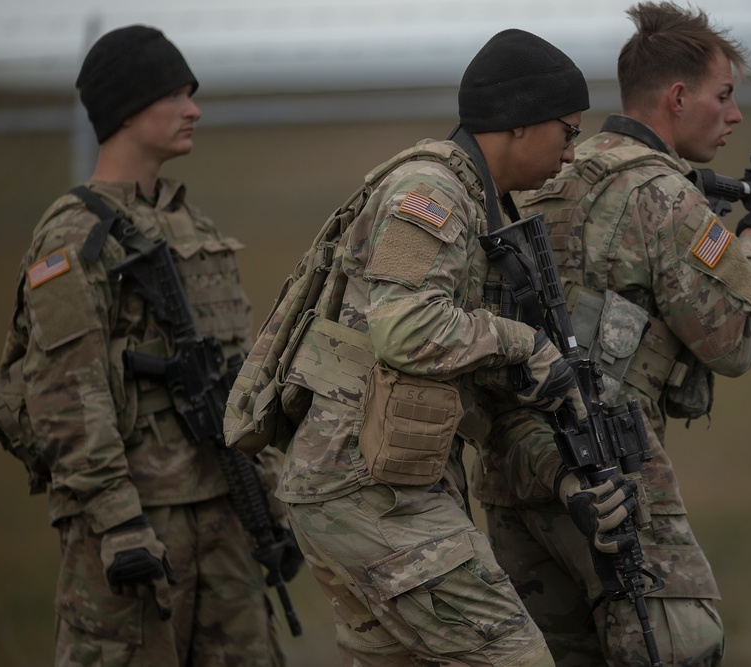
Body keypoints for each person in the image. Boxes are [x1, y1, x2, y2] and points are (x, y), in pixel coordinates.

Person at [470, 3, 751, 666]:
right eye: (724, 95)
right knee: (680, 649)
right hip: (606, 470)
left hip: (514, 474)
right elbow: (736, 337)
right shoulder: (666, 196)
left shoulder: (554, 172)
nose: (734, 116)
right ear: (678, 97)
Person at [232, 28, 616, 667]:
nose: (572, 154)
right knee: (514, 656)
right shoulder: (432, 192)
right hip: (361, 485)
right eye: (568, 131)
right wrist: (525, 345)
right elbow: (405, 328)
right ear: (519, 124)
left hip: (366, 479)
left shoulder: (475, 200)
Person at [0, 25, 295, 666]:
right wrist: (119, 521)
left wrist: (268, 503)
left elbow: (235, 377)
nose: (194, 110)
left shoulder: (190, 224)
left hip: (224, 511)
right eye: (177, 95)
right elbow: (66, 395)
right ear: (128, 109)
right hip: (135, 523)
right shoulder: (74, 237)